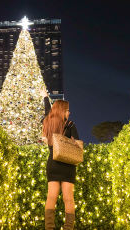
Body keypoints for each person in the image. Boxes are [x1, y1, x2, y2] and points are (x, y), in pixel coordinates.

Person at [40, 89, 80, 230]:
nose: (69, 113)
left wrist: (46, 97)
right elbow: (77, 144)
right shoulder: (70, 125)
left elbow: (48, 112)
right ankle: (68, 228)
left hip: (53, 164)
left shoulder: (49, 123)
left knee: (51, 197)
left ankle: (49, 228)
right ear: (62, 111)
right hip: (67, 164)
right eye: (67, 110)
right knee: (68, 198)